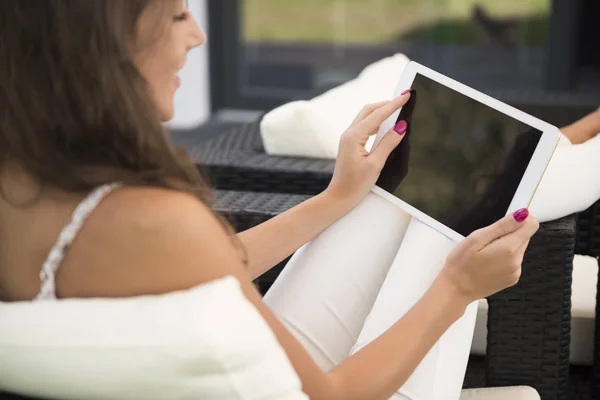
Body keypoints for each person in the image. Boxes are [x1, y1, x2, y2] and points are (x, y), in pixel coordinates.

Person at [0, 1, 541, 399]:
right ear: (104, 43)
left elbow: (196, 266)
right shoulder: (156, 220)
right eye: (176, 17)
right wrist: (458, 290)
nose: (197, 37)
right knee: (446, 233)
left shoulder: (26, 182)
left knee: (384, 205)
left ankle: (567, 152)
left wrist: (336, 196)